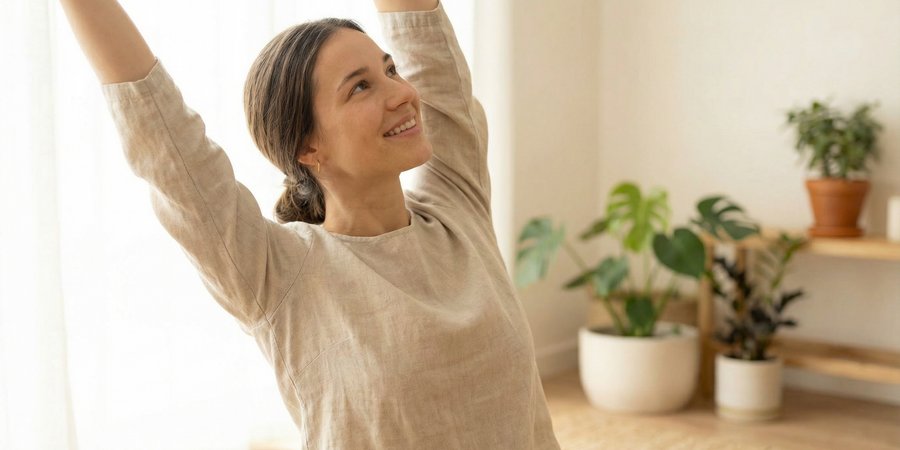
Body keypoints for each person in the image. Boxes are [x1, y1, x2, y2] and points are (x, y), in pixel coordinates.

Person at [59, 0, 562, 448]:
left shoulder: (457, 205)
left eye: (390, 70)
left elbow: (423, 39)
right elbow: (165, 138)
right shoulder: (278, 272)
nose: (401, 93)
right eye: (361, 86)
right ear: (307, 148)